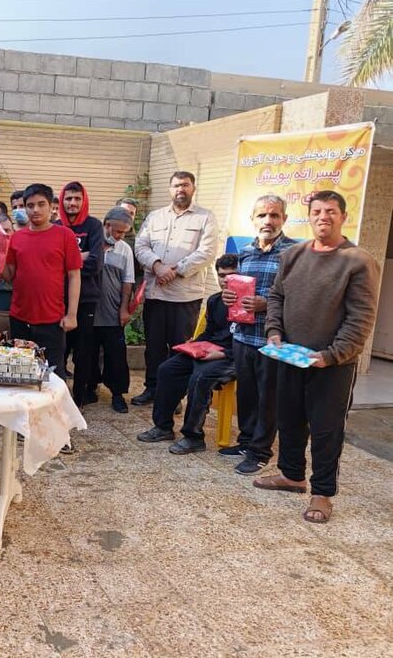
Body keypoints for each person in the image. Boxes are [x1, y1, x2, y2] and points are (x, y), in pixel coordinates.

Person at [255, 191, 380, 524]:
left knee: (326, 430)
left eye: (331, 211)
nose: (323, 217)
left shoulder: (358, 261)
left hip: (332, 364)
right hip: (291, 356)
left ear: (343, 217)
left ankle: (322, 493)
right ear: (309, 216)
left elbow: (361, 317)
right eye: (317, 211)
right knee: (289, 419)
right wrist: (274, 331)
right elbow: (276, 297)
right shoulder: (293, 255)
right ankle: (292, 475)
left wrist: (332, 355)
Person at [220, 195, 297, 474]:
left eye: (275, 215)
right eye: (262, 215)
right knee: (247, 394)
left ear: (284, 219)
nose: (268, 221)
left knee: (268, 399)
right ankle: (245, 442)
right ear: (253, 219)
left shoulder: (293, 253)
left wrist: (267, 304)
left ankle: (261, 451)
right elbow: (236, 288)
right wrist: (228, 297)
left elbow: (299, 297)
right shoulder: (245, 252)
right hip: (243, 337)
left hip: (272, 340)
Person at [132, 171, 217, 405]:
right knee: (154, 347)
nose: (181, 189)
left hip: (185, 297)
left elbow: (207, 252)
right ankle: (152, 389)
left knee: (180, 348)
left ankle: (173, 396)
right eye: (177, 185)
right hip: (156, 294)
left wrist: (175, 270)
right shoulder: (155, 217)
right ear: (170, 189)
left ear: (193, 188)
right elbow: (141, 246)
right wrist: (157, 266)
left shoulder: (205, 217)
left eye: (185, 185)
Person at [137, 254, 238, 452]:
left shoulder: (249, 305)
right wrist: (194, 344)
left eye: (232, 275)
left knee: (200, 378)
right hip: (210, 351)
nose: (226, 281)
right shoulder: (215, 301)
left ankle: (193, 437)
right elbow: (210, 333)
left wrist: (224, 354)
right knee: (167, 369)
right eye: (222, 276)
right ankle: (163, 426)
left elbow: (249, 344)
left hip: (233, 357)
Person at [1, 183, 81, 384]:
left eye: (41, 204)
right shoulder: (17, 238)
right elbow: (9, 276)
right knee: (20, 373)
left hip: (52, 319)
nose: (35, 210)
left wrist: (71, 314)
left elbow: (74, 275)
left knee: (53, 377)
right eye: (30, 205)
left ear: (51, 206)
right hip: (20, 318)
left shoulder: (65, 235)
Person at [55, 181, 104, 402]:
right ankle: (58, 398)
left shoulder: (94, 226)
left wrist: (67, 260)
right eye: (68, 198)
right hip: (58, 298)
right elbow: (51, 263)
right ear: (62, 201)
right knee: (59, 350)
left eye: (77, 198)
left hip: (86, 299)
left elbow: (96, 263)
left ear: (84, 201)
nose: (72, 203)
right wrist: (80, 256)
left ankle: (80, 399)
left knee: (83, 352)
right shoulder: (55, 227)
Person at [88, 207, 136, 413]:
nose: (120, 236)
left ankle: (117, 393)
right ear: (107, 225)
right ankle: (89, 387)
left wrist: (124, 309)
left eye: (124, 233)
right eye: (118, 231)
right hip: (89, 310)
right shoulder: (91, 243)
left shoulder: (124, 249)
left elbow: (128, 281)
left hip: (112, 310)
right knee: (87, 352)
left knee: (116, 355)